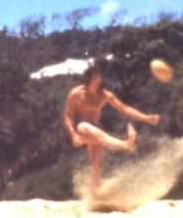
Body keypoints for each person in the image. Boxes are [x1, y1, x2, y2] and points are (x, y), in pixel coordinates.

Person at [63, 63, 160, 201]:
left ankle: (95, 198)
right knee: (84, 126)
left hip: (98, 133)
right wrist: (72, 135)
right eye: (95, 77)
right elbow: (68, 115)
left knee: (96, 166)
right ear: (88, 78)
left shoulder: (104, 95)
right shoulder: (76, 94)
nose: (98, 80)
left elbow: (124, 109)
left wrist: (146, 118)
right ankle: (126, 144)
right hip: (81, 131)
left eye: (99, 77)